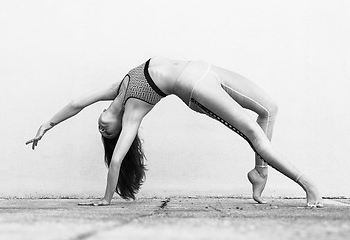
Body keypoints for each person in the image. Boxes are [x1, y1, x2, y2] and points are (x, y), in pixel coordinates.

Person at [26, 56, 323, 207]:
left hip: (204, 68)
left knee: (268, 109)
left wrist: (47, 125)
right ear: (120, 130)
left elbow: (77, 102)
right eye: (108, 134)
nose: (103, 127)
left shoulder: (118, 88)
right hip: (195, 88)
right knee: (254, 135)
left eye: (100, 127)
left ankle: (260, 173)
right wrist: (106, 199)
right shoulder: (133, 113)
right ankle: (307, 184)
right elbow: (116, 161)